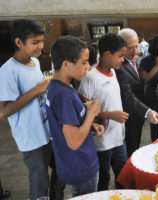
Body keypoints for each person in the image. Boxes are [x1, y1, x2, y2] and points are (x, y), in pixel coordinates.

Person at [0, 19, 54, 200]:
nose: (41, 46)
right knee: (39, 183)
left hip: (46, 129)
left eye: (42, 41)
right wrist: (38, 89)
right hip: (31, 137)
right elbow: (3, 111)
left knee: (59, 173)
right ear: (18, 42)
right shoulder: (8, 71)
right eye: (35, 42)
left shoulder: (35, 63)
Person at [46, 35, 104, 197]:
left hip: (73, 163)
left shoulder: (58, 86)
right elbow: (74, 142)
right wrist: (92, 114)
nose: (88, 68)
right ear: (66, 64)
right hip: (80, 166)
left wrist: (90, 124)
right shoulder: (63, 95)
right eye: (84, 63)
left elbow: (65, 123)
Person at [78, 33, 128, 191]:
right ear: (107, 54)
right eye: (120, 56)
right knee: (103, 178)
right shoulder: (91, 79)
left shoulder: (113, 73)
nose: (122, 60)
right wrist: (110, 115)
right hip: (102, 141)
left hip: (118, 136)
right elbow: (83, 112)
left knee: (123, 175)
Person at [117, 28, 158, 158]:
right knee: (130, 150)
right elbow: (128, 96)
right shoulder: (119, 66)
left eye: (136, 46)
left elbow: (139, 84)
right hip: (129, 115)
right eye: (130, 48)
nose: (135, 51)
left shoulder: (134, 61)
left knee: (135, 145)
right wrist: (147, 111)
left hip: (138, 114)